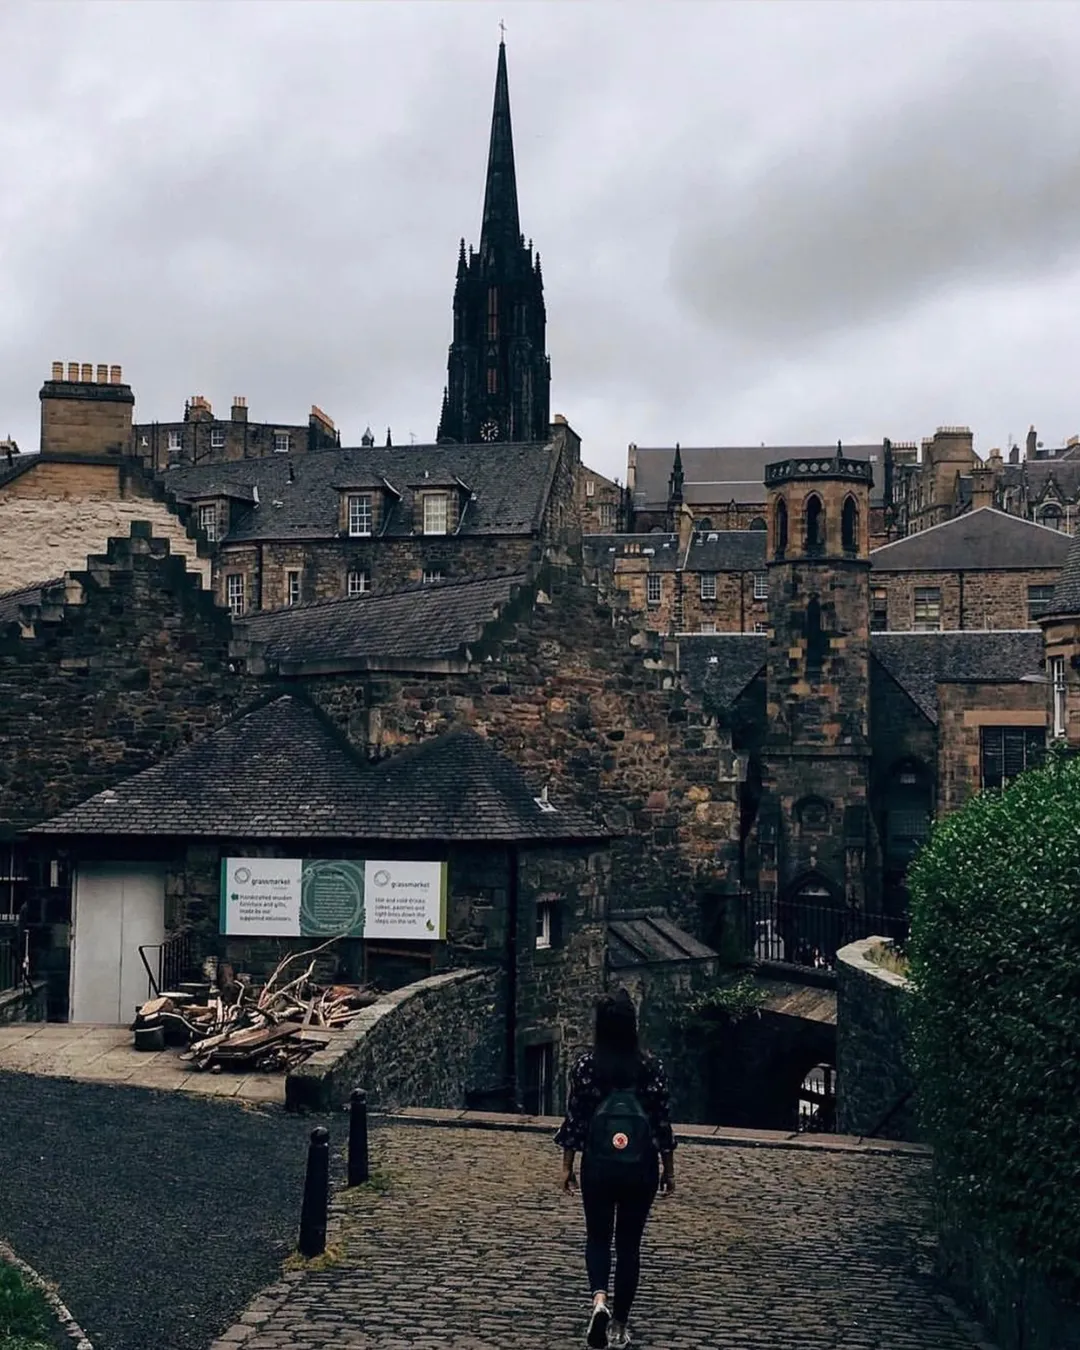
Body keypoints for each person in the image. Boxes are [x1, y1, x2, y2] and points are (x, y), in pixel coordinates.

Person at [554, 989, 675, 1348]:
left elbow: (575, 1120)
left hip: (599, 1165)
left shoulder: (586, 1067)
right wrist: (669, 1170)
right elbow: (661, 1124)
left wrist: (566, 1166)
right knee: (629, 1245)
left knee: (597, 1237)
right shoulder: (650, 1067)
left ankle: (599, 1301)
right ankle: (620, 1325)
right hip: (640, 1167)